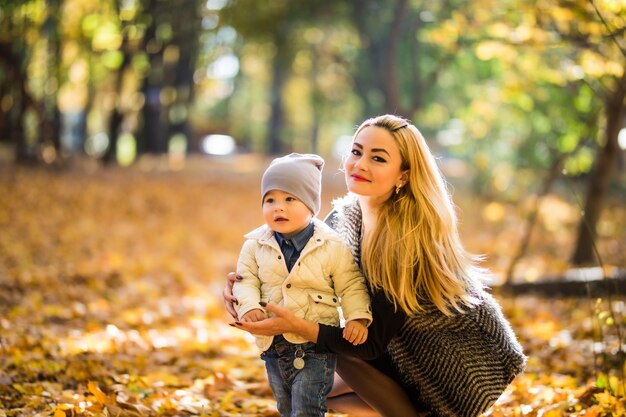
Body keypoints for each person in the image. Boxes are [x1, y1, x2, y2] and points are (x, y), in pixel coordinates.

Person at [225, 115, 526, 417]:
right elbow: (293, 275)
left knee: (325, 348)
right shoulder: (342, 220)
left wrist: (297, 326)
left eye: (378, 158)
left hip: (456, 365)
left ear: (403, 176)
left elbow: (370, 345)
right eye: (356, 152)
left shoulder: (407, 240)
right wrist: (245, 292)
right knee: (304, 386)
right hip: (394, 351)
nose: (360, 165)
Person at [232, 153, 373, 417]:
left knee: (307, 408)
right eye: (270, 200)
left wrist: (357, 317)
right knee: (285, 407)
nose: (278, 208)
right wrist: (248, 306)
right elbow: (245, 279)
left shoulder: (330, 245)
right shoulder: (254, 244)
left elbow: (351, 284)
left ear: (310, 206)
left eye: (289, 199)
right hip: (272, 344)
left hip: (314, 346)